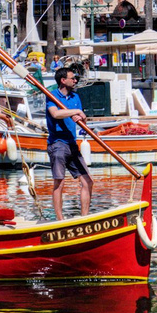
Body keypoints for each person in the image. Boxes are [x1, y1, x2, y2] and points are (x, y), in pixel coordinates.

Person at [46, 67, 93, 222]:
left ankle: (84, 218)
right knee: (59, 182)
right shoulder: (52, 96)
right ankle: (60, 220)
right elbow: (56, 113)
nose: (75, 80)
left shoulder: (75, 97)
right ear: (63, 80)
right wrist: (75, 111)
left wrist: (82, 118)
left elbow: (81, 119)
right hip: (57, 144)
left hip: (72, 144)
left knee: (87, 181)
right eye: (73, 78)